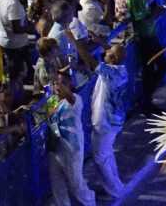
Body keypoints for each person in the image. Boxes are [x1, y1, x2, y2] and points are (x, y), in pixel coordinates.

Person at [45, 71, 96, 206]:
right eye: (56, 82)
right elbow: (50, 122)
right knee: (57, 186)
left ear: (70, 85)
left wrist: (60, 87)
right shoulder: (52, 101)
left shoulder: (75, 100)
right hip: (55, 148)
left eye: (63, 83)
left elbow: (68, 96)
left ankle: (90, 201)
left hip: (72, 149)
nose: (58, 86)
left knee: (76, 184)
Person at [90, 41, 131, 199]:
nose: (104, 53)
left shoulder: (112, 73)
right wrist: (98, 40)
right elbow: (110, 52)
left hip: (105, 122)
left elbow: (91, 62)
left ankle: (116, 191)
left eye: (107, 53)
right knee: (106, 154)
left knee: (100, 157)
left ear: (112, 59)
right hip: (112, 120)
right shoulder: (119, 69)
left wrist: (72, 40)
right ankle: (117, 186)